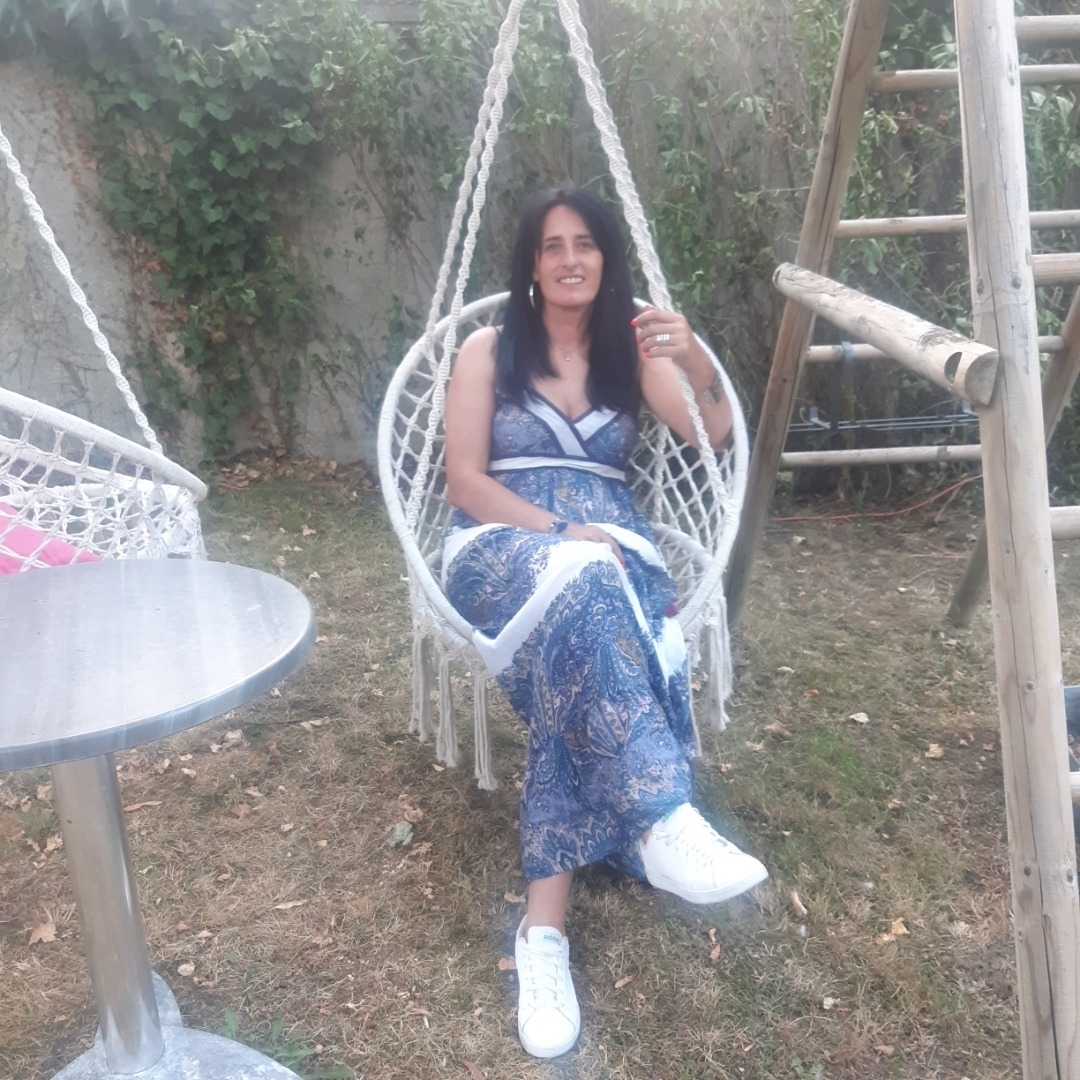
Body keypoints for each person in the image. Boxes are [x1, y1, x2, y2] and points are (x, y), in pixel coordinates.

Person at [441, 187, 768, 1060]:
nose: (570, 259)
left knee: (584, 625)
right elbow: (464, 481)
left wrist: (693, 358)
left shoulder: (631, 353)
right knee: (586, 579)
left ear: (605, 258)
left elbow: (713, 436)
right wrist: (559, 530)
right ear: (532, 262)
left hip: (612, 557)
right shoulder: (487, 350)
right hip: (498, 545)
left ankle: (542, 936)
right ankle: (660, 817)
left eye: (585, 243)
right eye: (553, 245)